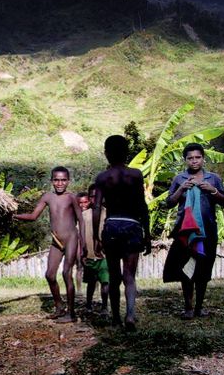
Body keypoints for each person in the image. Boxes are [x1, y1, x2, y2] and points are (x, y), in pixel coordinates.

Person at [162, 142, 224, 320]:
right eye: (190, 158)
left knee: (203, 269)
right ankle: (188, 307)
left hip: (207, 230)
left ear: (203, 159)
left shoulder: (213, 179)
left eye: (197, 157)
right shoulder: (179, 179)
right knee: (186, 269)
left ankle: (199, 307)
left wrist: (212, 190)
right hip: (185, 232)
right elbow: (169, 202)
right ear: (185, 160)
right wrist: (182, 189)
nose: (194, 161)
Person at [93, 136, 150, 329]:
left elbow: (96, 208)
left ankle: (116, 318)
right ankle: (131, 315)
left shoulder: (102, 178)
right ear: (127, 153)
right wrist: (147, 233)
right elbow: (142, 205)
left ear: (106, 153)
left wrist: (95, 235)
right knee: (129, 277)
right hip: (132, 225)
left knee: (114, 277)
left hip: (112, 225)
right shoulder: (135, 174)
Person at [15, 166, 85, 323]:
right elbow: (33, 216)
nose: (60, 183)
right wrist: (15, 216)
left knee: (67, 274)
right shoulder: (47, 197)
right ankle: (59, 306)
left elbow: (80, 219)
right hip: (56, 241)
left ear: (68, 181)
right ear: (52, 181)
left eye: (63, 180)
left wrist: (83, 242)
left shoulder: (71, 198)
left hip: (71, 239)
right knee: (50, 275)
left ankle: (71, 313)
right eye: (56, 180)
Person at [79, 187, 109, 316]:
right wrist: (82, 252)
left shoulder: (108, 214)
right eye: (92, 196)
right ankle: (89, 305)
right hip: (89, 254)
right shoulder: (84, 215)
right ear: (89, 198)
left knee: (105, 282)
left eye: (98, 196)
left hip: (105, 256)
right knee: (91, 282)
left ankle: (104, 306)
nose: (95, 199)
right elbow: (80, 235)